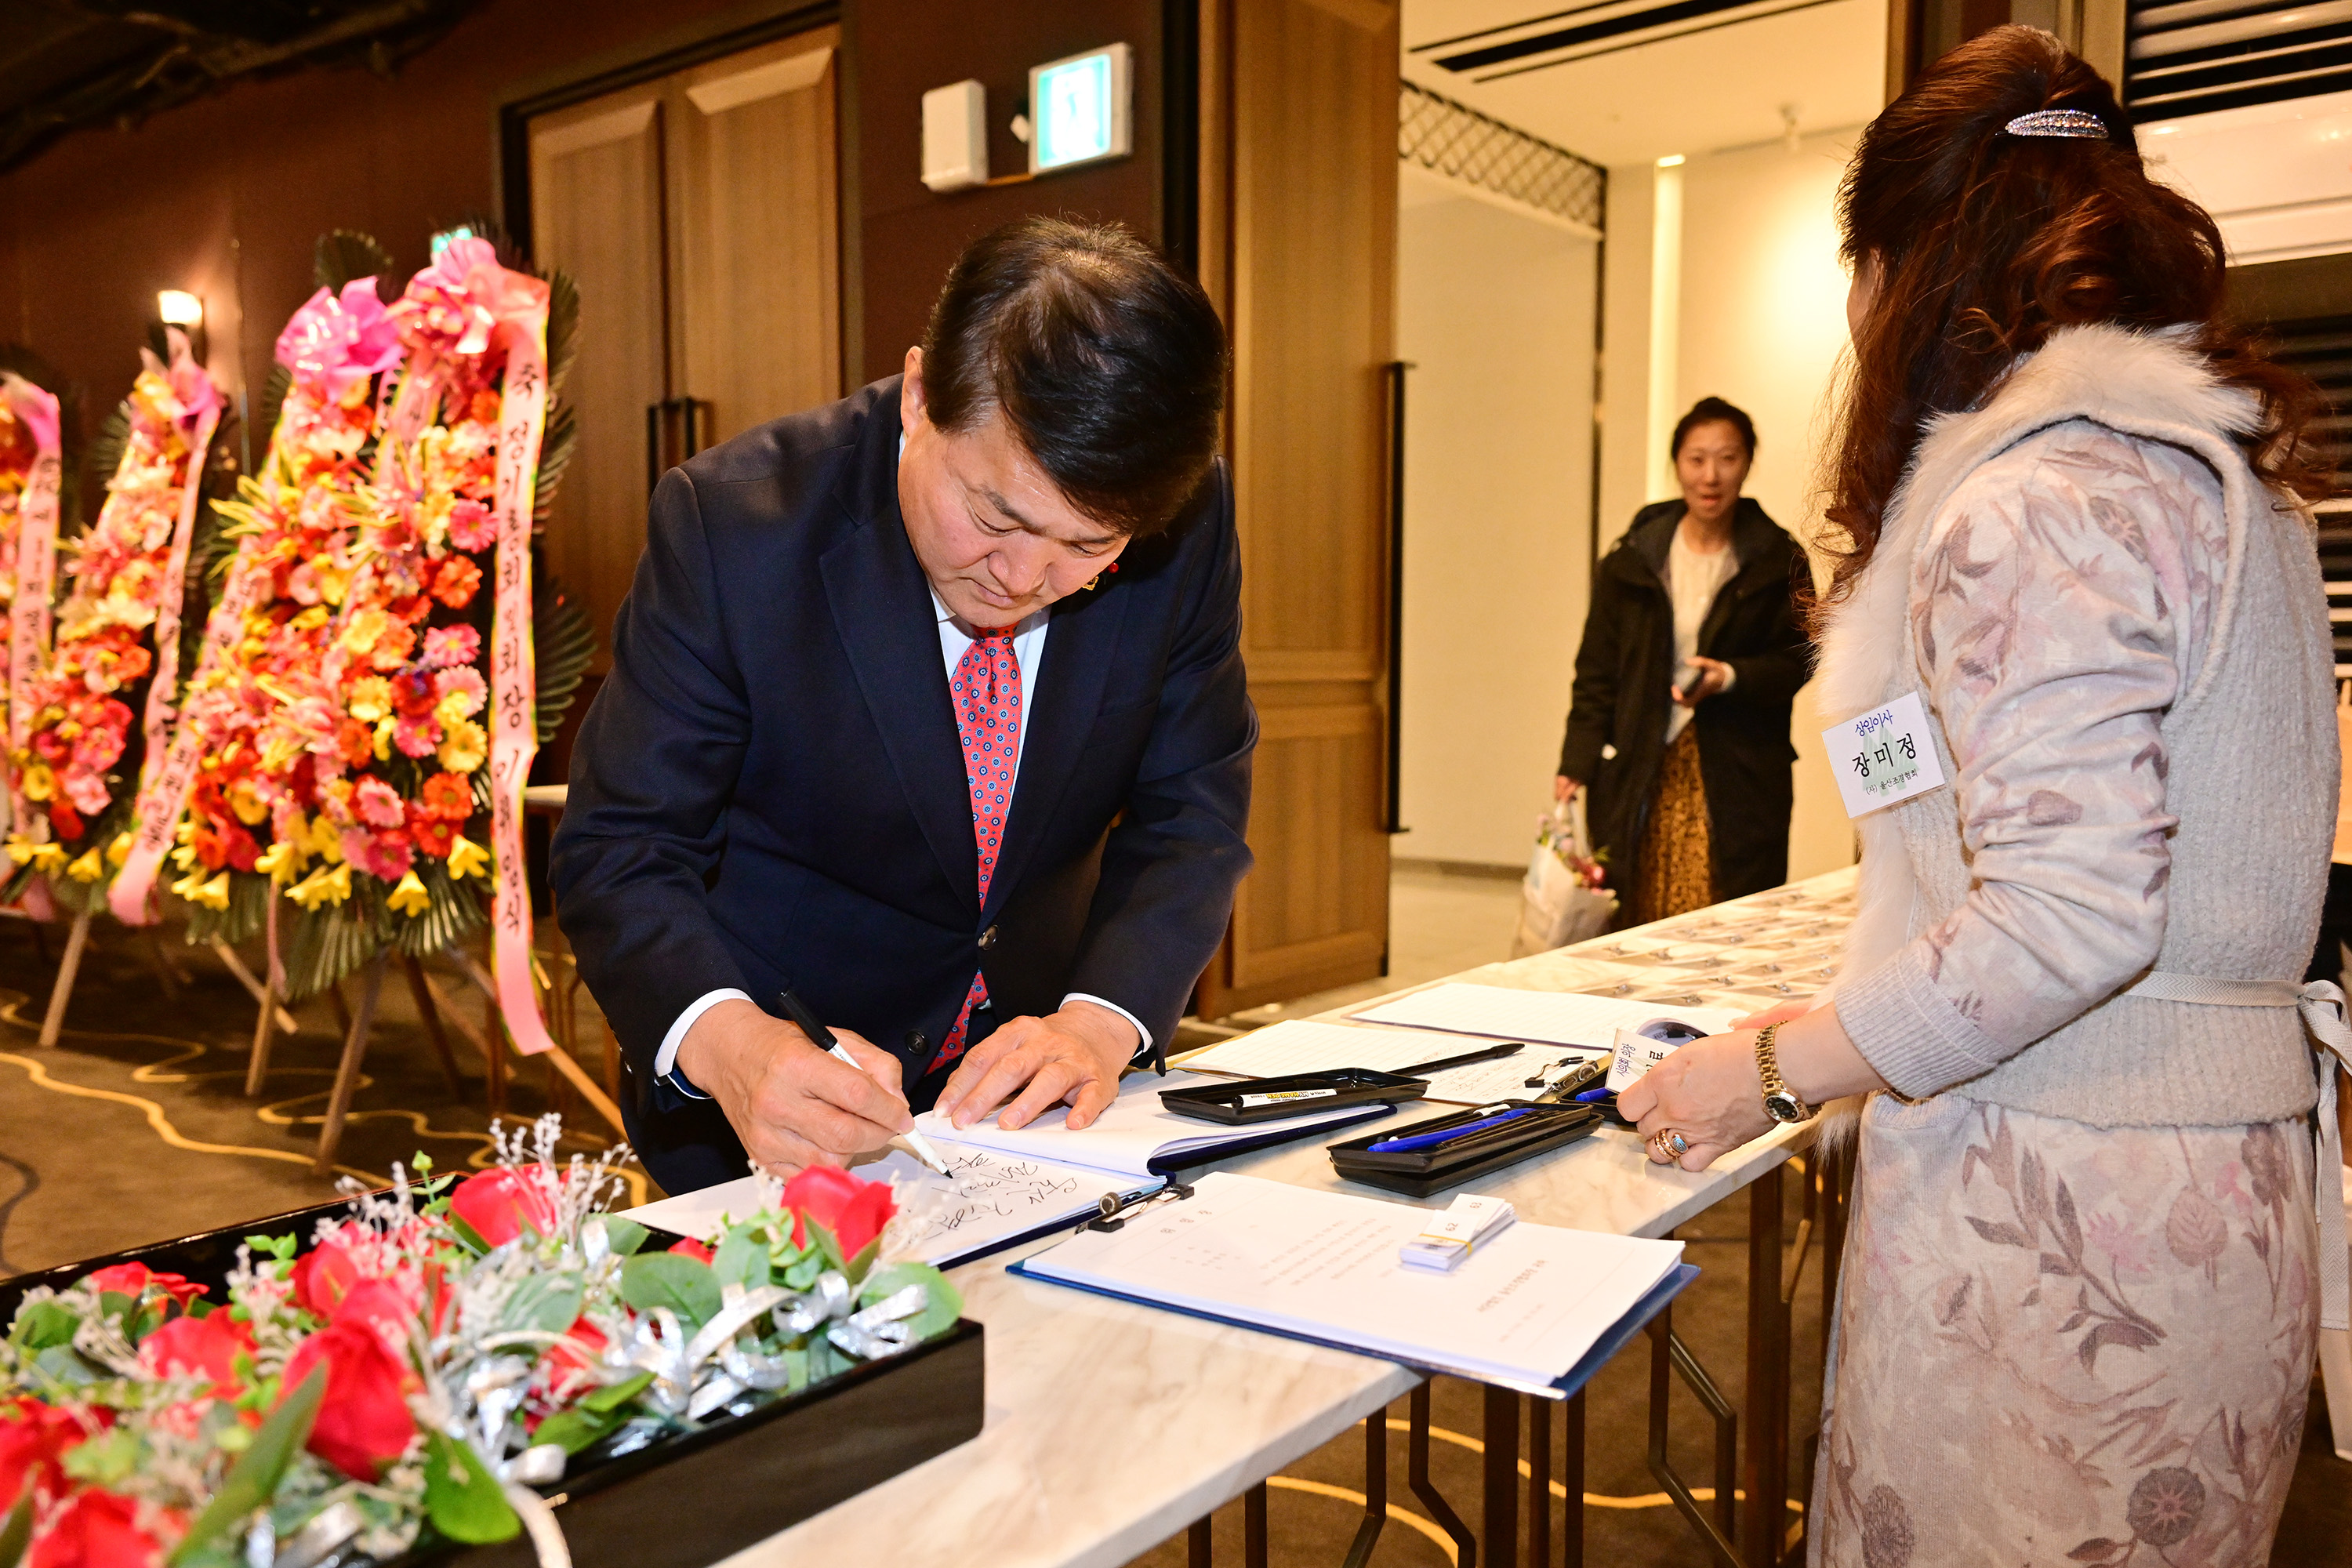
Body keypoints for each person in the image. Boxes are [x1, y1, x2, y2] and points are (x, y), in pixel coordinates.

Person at [1617, 27, 2347, 1563]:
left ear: (1907, 260)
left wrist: (1777, 1065)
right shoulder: (2221, 479)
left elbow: (2069, 912)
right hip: (2207, 1190)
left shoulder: (2041, 500)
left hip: (2070, 1204)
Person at [551, 218, 1254, 1196]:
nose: (1024, 577)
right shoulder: (736, 527)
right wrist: (734, 1042)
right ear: (921, 397)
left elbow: (1194, 811)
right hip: (777, 1095)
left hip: (1036, 1102)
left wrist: (1098, 1018)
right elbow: (621, 847)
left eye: (1086, 548)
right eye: (994, 515)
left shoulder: (1185, 519)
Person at [1553, 397, 1809, 924]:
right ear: (1677, 465)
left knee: (1729, 915)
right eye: (1696, 459)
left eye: (1727, 458)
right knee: (1635, 908)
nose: (1711, 476)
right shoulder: (1632, 561)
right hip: (1641, 758)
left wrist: (1731, 676)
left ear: (1747, 464)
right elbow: (1597, 670)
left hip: (1737, 768)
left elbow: (1799, 659)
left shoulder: (1777, 561)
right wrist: (1576, 761)